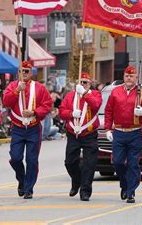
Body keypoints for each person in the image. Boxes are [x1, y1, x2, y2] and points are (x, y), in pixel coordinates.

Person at [3, 61, 52, 199]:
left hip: (33, 128)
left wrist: (34, 112)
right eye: (22, 71)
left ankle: (29, 188)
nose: (24, 73)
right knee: (15, 158)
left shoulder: (40, 88)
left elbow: (47, 105)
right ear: (18, 72)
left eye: (26, 71)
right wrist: (17, 90)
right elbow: (7, 101)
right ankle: (22, 180)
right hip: (17, 128)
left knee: (32, 160)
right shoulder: (13, 86)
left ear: (31, 72)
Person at [104, 65, 142, 204]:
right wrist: (108, 129)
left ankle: (131, 192)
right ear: (123, 77)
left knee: (132, 163)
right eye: (126, 76)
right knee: (118, 162)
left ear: (136, 77)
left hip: (135, 132)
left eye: (131, 76)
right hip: (119, 132)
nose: (129, 78)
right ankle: (124, 184)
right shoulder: (115, 92)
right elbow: (108, 111)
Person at [59, 72, 102, 201]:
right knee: (70, 162)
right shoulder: (71, 96)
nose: (83, 84)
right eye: (81, 82)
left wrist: (84, 94)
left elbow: (96, 105)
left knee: (89, 163)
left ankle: (85, 191)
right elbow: (61, 112)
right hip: (73, 134)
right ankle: (76, 181)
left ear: (90, 84)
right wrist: (71, 113)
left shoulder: (95, 94)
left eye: (85, 82)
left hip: (89, 134)